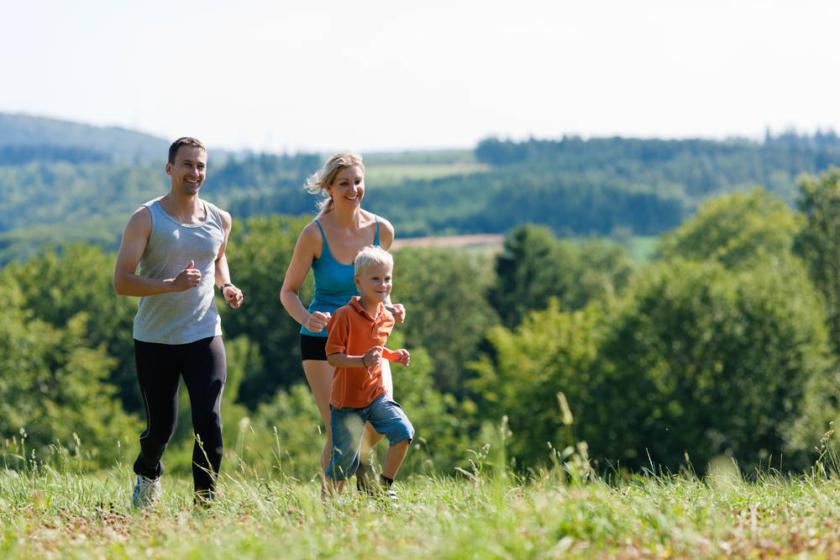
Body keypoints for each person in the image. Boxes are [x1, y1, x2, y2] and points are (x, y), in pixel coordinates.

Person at [113, 136, 244, 508]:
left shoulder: (220, 219)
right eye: (187, 164)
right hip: (156, 338)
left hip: (204, 332)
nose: (195, 172)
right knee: (161, 429)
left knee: (209, 420)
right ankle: (148, 472)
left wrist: (227, 284)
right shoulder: (146, 218)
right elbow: (122, 281)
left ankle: (205, 505)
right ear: (170, 168)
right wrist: (170, 285)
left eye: (201, 165)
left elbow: (217, 259)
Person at [279, 152, 405, 487]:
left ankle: (359, 465)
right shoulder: (314, 234)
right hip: (324, 342)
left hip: (370, 339)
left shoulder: (382, 230)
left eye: (357, 181)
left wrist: (390, 307)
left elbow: (380, 286)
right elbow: (288, 292)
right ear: (329, 189)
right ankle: (328, 509)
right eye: (344, 183)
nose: (353, 189)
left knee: (380, 421)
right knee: (340, 430)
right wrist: (308, 317)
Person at [324, 246, 413, 496]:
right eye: (375, 278)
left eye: (387, 278)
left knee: (403, 432)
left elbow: (375, 349)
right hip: (346, 402)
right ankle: (325, 511)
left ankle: (383, 488)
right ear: (358, 282)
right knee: (343, 464)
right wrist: (362, 361)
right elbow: (333, 357)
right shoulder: (343, 317)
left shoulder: (387, 317)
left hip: (376, 395)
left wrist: (392, 355)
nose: (383, 284)